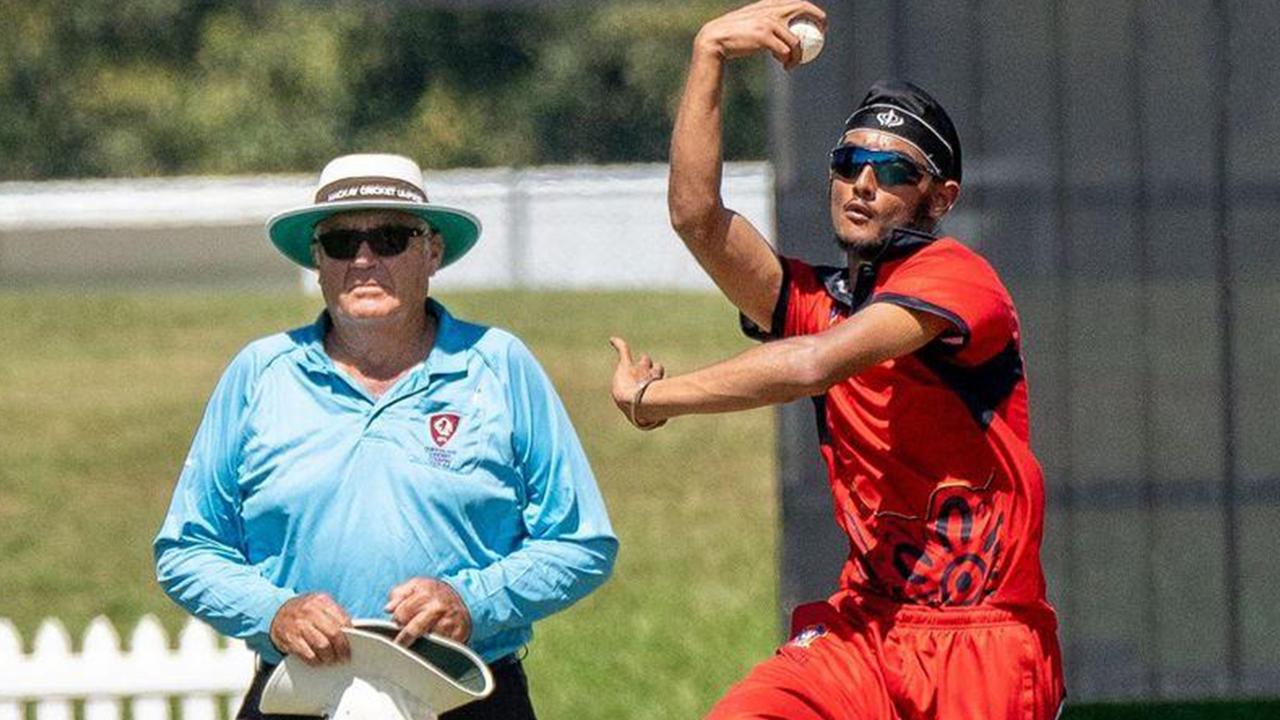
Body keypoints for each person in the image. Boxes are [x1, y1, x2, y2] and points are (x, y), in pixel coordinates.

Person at [608, 2, 1065, 718]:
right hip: (864, 627)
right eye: (850, 161)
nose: (863, 182)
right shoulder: (820, 300)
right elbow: (698, 218)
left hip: (981, 639)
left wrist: (656, 400)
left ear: (939, 199)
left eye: (893, 171)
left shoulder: (959, 278)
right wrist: (708, 54)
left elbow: (811, 366)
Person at [154, 153, 617, 720]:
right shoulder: (260, 374)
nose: (365, 260)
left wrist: (473, 602)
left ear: (433, 252)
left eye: (392, 238)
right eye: (343, 244)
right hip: (298, 694)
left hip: (463, 691)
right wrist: (274, 613)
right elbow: (186, 549)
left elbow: (582, 542)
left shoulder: (498, 364)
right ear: (318, 260)